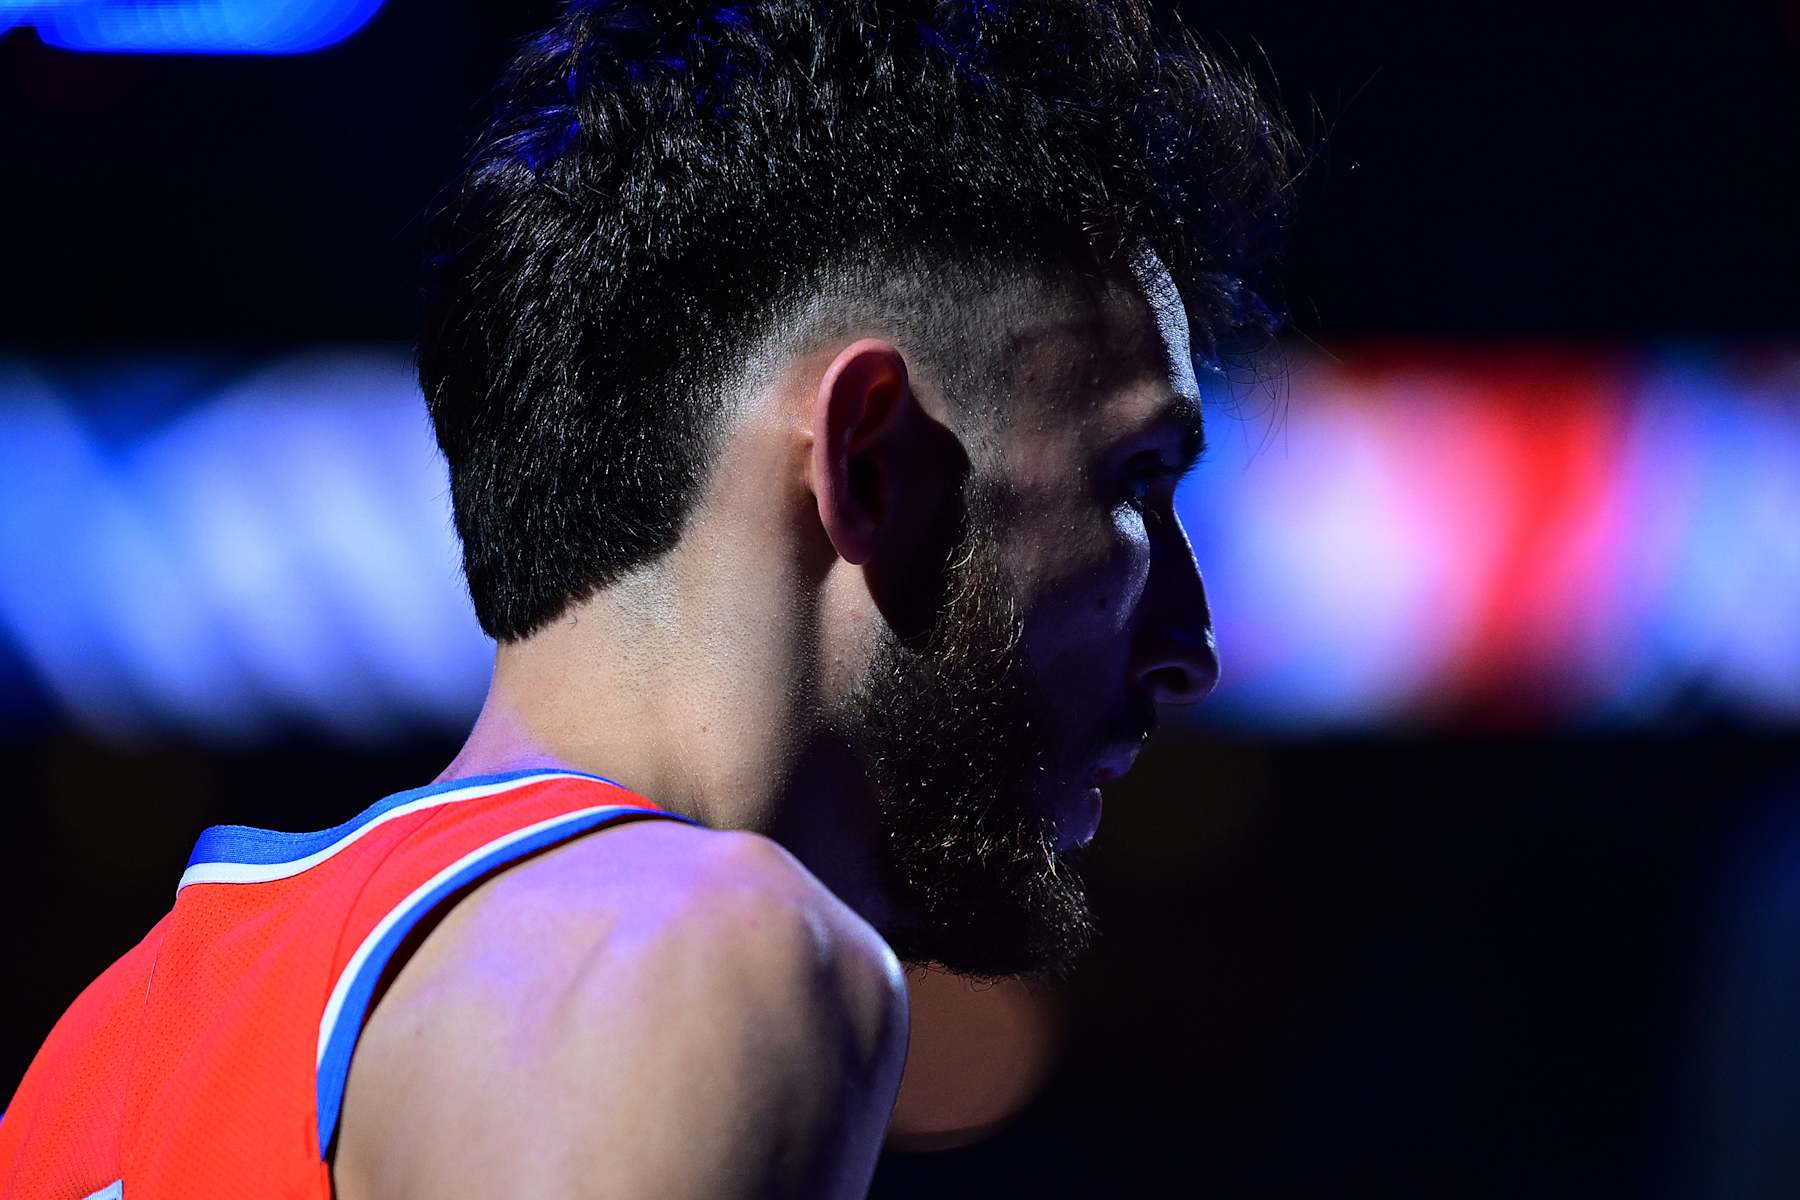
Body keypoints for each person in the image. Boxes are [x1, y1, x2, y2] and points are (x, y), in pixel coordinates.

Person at [0, 0, 1293, 1195]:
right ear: (868, 461)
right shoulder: (703, 954)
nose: (1191, 646)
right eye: (1135, 480)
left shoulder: (99, 1054)